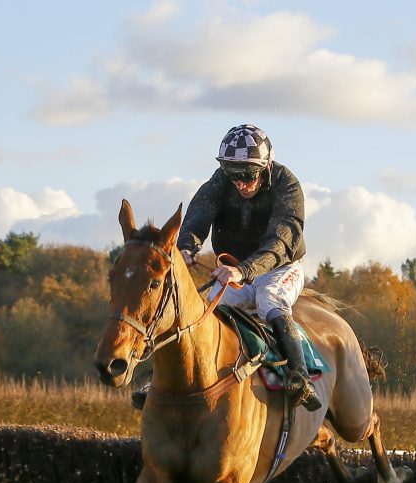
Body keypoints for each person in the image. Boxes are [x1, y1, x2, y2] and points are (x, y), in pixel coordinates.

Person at [133, 123, 319, 412]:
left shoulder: (287, 185)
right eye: (233, 174)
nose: (240, 182)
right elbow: (198, 214)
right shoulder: (221, 182)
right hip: (236, 270)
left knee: (268, 298)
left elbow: (280, 242)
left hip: (280, 267)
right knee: (205, 310)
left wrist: (243, 271)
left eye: (247, 174)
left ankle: (300, 377)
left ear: (266, 166)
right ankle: (160, 380)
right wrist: (186, 247)